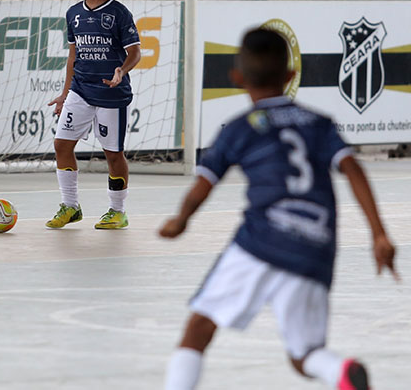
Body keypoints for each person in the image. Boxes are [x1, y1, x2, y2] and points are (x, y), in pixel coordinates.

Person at [159, 27, 398, 390]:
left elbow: (203, 186)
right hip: (315, 246)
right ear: (290, 76)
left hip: (262, 241)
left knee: (199, 328)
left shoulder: (239, 129)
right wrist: (379, 234)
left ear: (237, 78)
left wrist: (181, 220)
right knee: (305, 355)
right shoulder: (318, 123)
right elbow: (352, 168)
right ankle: (340, 371)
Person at [46, 0, 141, 230]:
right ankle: (71, 206)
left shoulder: (119, 13)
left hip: (111, 94)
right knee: (62, 144)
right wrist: (65, 93)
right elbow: (72, 57)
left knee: (113, 154)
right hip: (80, 91)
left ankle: (117, 211)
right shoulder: (73, 14)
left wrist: (121, 71)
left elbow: (135, 52)